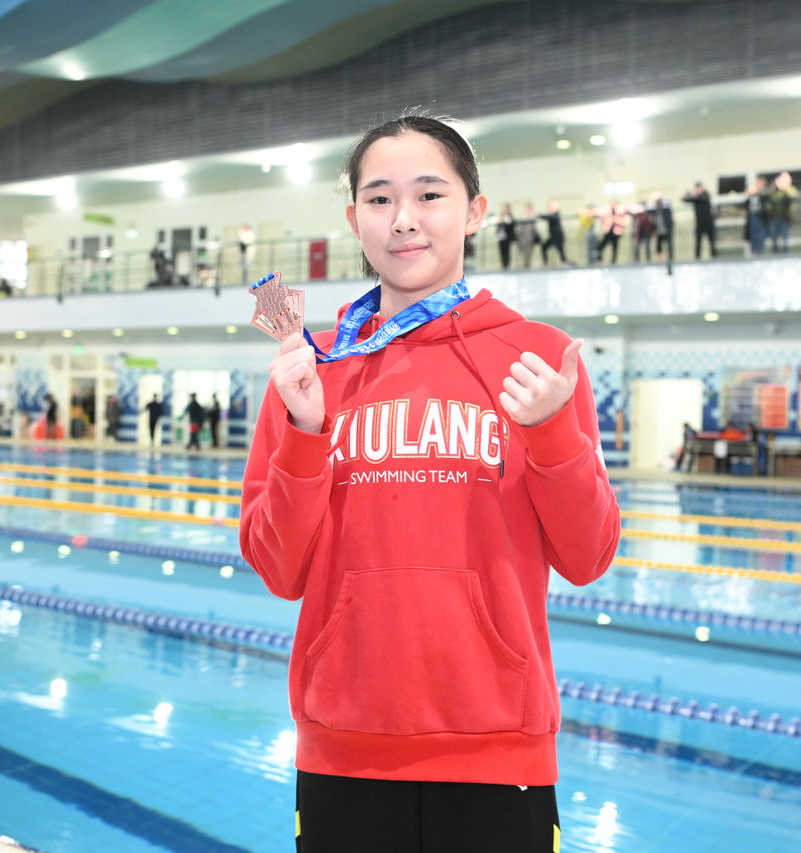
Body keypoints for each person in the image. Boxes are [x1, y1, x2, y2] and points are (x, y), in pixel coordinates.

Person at [240, 113, 620, 852]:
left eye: (429, 195)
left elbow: (589, 556)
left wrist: (551, 432)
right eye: (379, 198)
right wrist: (306, 434)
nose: (404, 219)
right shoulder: (309, 368)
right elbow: (278, 569)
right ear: (354, 219)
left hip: (499, 750)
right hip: (343, 748)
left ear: (474, 211)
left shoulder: (538, 359)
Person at [681, 182, 716, 259]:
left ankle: (714, 257)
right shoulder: (695, 198)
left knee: (712, 241)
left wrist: (694, 196)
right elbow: (684, 199)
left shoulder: (706, 195)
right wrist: (689, 194)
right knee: (698, 241)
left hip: (708, 222)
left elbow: (703, 199)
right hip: (699, 223)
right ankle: (697, 258)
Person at [768, 171, 796, 253]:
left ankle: (786, 253)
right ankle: (775, 253)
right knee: (774, 236)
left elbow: (792, 198)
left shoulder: (791, 189)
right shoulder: (775, 191)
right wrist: (773, 187)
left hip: (786, 218)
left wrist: (784, 188)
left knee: (785, 236)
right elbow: (770, 199)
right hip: (775, 217)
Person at [744, 175, 771, 256]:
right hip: (752, 216)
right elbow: (745, 205)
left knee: (761, 234)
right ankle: (754, 251)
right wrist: (748, 196)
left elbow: (767, 202)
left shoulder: (765, 192)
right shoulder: (752, 194)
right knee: (753, 234)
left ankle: (759, 250)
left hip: (761, 216)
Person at [538, 199, 568, 266]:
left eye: (550, 207)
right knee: (544, 247)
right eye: (548, 207)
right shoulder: (551, 215)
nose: (549, 209)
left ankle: (564, 262)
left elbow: (548, 217)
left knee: (560, 250)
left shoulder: (556, 214)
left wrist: (539, 215)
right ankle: (546, 263)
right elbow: (547, 217)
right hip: (553, 236)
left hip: (558, 236)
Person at [515, 203, 539, 268]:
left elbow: (535, 217)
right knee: (522, 255)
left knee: (528, 255)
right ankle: (523, 266)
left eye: (527, 209)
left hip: (530, 239)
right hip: (522, 239)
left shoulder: (532, 216)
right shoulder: (522, 216)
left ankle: (526, 266)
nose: (526, 210)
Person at [494, 204, 514, 270]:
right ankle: (503, 265)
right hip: (500, 237)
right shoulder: (500, 216)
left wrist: (503, 220)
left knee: (507, 252)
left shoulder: (510, 216)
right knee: (502, 252)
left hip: (507, 237)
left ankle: (507, 265)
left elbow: (510, 223)